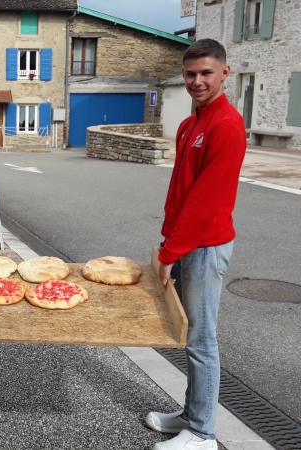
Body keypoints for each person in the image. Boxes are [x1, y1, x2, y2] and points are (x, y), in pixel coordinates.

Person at [145, 39, 246, 450]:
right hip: (186, 242)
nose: (197, 81)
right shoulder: (191, 124)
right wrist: (170, 239)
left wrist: (171, 254)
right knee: (188, 334)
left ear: (225, 72)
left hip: (205, 247)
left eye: (206, 73)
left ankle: (203, 433)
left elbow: (207, 203)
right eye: (190, 74)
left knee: (203, 340)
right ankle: (191, 415)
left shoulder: (226, 125)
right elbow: (181, 193)